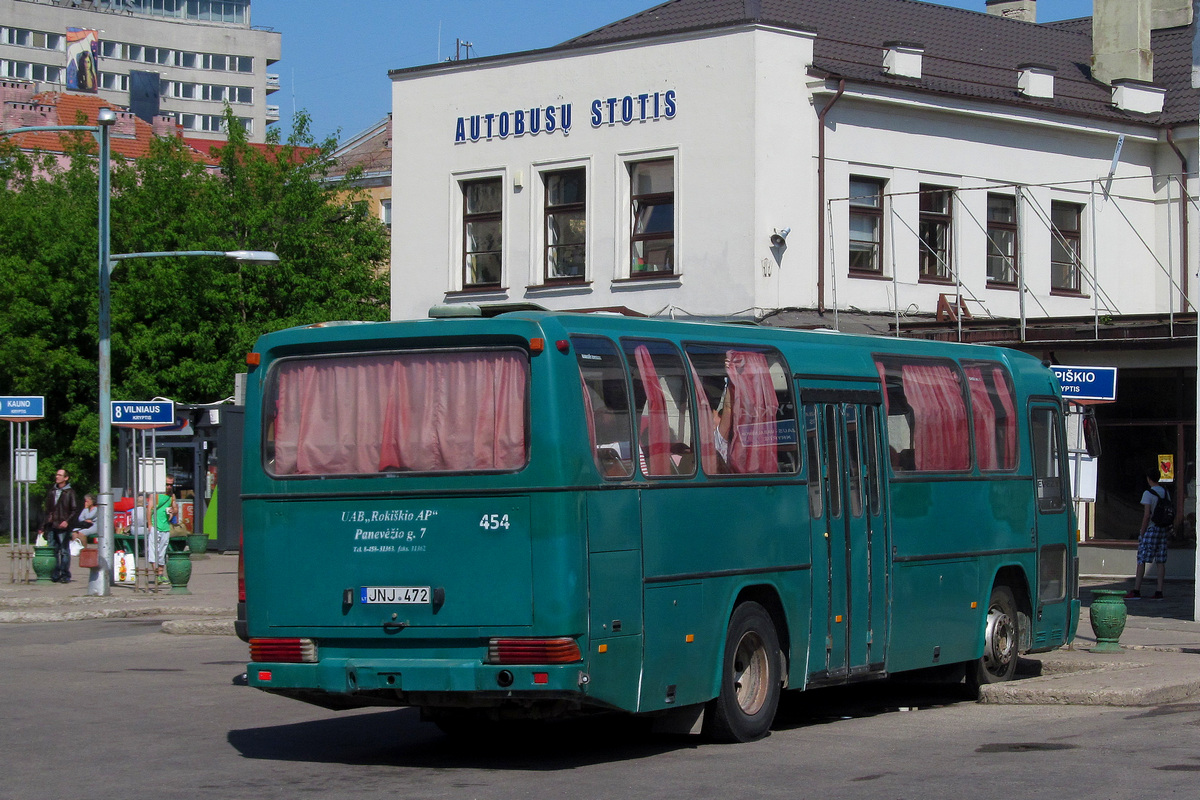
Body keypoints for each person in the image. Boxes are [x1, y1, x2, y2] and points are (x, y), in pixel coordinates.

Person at [1127, 470, 1169, 600]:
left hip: (1151, 529)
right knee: (1160, 560)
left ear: (1148, 479)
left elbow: (1146, 515)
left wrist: (1142, 531)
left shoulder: (1148, 493)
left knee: (1142, 559)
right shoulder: (1166, 493)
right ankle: (1159, 591)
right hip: (1163, 528)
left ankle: (1136, 590)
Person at [42, 468, 79, 584]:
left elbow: (74, 509)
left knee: (64, 550)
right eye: (56, 475)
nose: (57, 477)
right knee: (53, 550)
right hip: (52, 524)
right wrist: (43, 525)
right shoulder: (52, 491)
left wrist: (67, 521)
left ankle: (64, 574)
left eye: (60, 475)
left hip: (63, 525)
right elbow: (48, 509)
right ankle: (54, 573)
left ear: (66, 478)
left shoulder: (70, 492)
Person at [147, 477, 177, 584]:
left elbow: (175, 509)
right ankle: (156, 575)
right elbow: (149, 509)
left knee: (162, 552)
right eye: (167, 484)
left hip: (165, 527)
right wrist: (150, 524)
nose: (169, 487)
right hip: (155, 526)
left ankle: (161, 574)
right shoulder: (155, 495)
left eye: (171, 485)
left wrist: (172, 511)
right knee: (153, 550)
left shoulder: (171, 496)